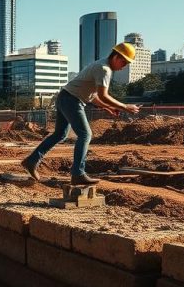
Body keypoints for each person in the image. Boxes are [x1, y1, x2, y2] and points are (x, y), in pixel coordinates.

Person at [22, 42, 140, 185]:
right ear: (116, 57)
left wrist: (107, 107)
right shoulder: (104, 69)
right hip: (72, 100)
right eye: (124, 62)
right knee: (85, 134)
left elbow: (93, 96)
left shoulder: (100, 65)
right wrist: (125, 106)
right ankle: (78, 173)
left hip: (64, 97)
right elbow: (103, 95)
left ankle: (31, 161)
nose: (124, 67)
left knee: (60, 134)